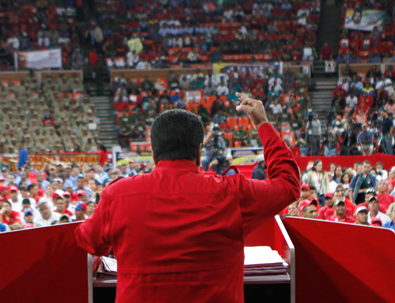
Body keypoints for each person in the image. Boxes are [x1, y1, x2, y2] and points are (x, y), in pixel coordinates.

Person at [74, 93, 300, 303]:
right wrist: (262, 124)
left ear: (153, 154)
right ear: (199, 152)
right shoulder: (232, 193)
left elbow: (88, 240)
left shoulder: (118, 195)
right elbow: (289, 184)